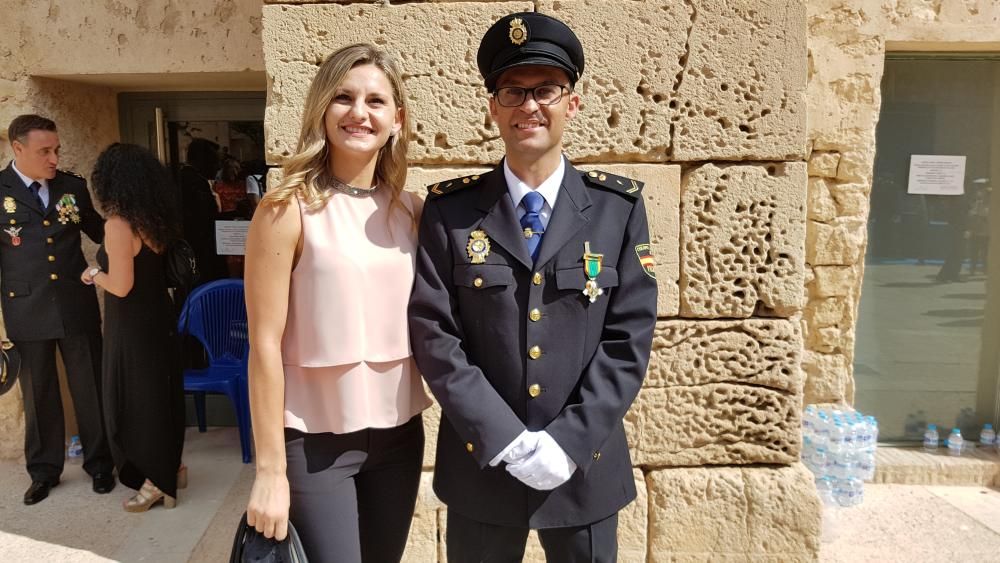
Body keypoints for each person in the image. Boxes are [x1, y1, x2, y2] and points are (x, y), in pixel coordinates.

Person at [408, 12, 657, 562]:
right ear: (493, 106)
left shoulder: (617, 210)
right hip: (483, 468)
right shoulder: (450, 214)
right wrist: (502, 436)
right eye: (512, 91)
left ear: (572, 102)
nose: (529, 106)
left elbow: (628, 339)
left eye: (546, 88)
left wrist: (568, 442)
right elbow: (434, 334)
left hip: (584, 468)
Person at [244, 43, 431, 563]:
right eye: (344, 97)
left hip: (399, 438)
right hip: (315, 444)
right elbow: (262, 345)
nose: (358, 112)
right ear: (322, 109)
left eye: (376, 100)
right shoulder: (285, 209)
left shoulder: (412, 212)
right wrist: (269, 471)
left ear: (397, 118)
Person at [0, 114, 115, 505]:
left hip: (74, 304)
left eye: (56, 150)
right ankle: (44, 471)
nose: (53, 158)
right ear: (17, 149)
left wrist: (114, 262)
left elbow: (101, 233)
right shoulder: (0, 191)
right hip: (26, 310)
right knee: (39, 394)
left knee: (90, 388)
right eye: (44, 151)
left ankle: (101, 464)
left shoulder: (71, 187)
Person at [80, 143, 186, 512]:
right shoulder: (154, 220)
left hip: (132, 326)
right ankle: (172, 469)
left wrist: (94, 273)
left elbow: (121, 285)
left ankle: (157, 481)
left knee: (133, 404)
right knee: (160, 396)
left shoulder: (118, 224)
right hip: (160, 317)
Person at [178, 138, 226, 283]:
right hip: (200, 255)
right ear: (203, 161)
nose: (218, 167)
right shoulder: (193, 183)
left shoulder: (188, 179)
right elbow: (203, 220)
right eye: (215, 161)